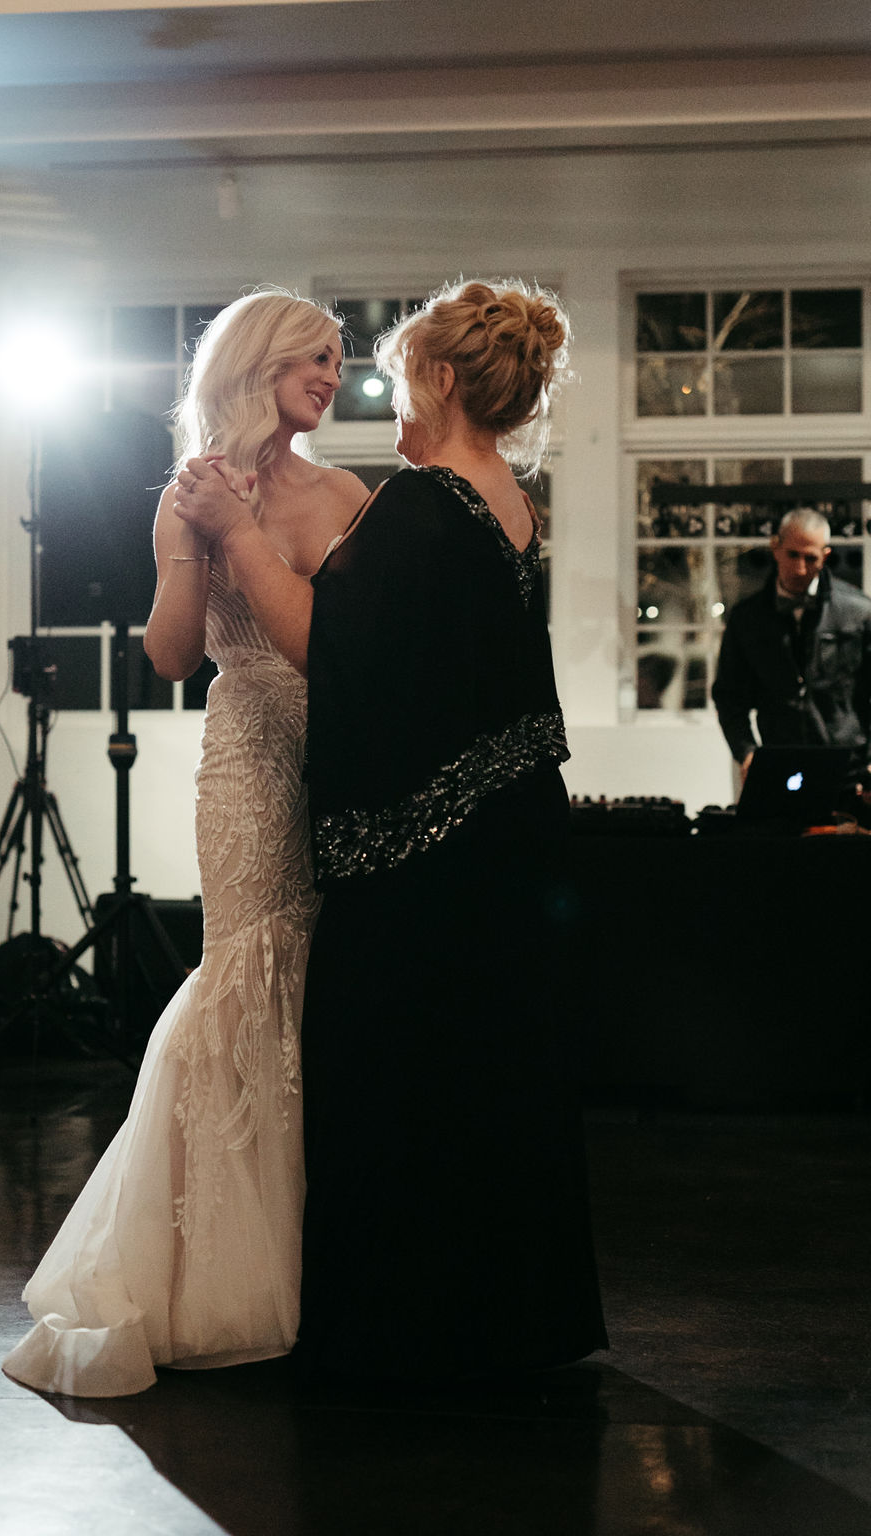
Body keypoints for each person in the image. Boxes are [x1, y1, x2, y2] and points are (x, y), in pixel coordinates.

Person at [177, 279, 608, 1382]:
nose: (384, 397)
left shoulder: (422, 503)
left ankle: (407, 1325)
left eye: (401, 377)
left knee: (397, 1076)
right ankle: (511, 1319)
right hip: (509, 837)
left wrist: (233, 530)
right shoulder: (508, 502)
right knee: (495, 1079)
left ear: (444, 379)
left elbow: (332, 650)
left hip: (433, 859)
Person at [1, 290, 368, 1397]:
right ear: (258, 364)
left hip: (343, 754)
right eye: (314, 358)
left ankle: (333, 1251)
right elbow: (169, 657)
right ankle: (220, 1270)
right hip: (247, 757)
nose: (333, 376)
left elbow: (353, 646)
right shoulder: (189, 494)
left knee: (330, 983)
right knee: (246, 971)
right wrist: (199, 545)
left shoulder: (349, 495)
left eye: (337, 360)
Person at [712, 508, 871, 784]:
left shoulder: (859, 612)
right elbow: (729, 697)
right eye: (793, 555)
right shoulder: (747, 618)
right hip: (779, 765)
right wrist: (746, 752)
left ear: (826, 556)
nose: (800, 568)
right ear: (775, 548)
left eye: (811, 558)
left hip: (850, 769)